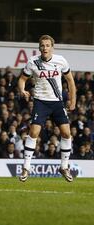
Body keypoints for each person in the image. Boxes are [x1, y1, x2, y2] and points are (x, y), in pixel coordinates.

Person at [18, 35, 76, 182]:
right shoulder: (32, 62)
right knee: (34, 131)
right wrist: (22, 90)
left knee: (66, 133)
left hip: (57, 102)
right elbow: (22, 79)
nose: (45, 48)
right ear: (39, 48)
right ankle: (26, 168)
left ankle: (64, 167)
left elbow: (70, 81)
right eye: (42, 45)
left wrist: (72, 100)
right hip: (41, 102)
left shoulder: (61, 60)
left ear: (52, 47)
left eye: (47, 45)